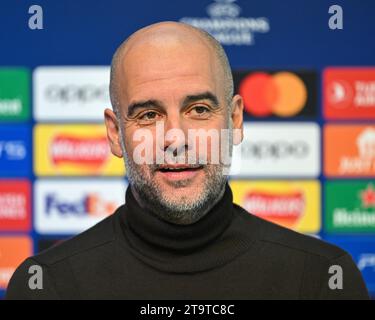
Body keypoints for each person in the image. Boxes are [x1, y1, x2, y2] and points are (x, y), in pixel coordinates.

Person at [6, 21, 369, 299]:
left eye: (198, 109)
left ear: (235, 120)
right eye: (148, 115)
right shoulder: (48, 285)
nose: (175, 138)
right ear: (116, 134)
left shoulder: (322, 278)